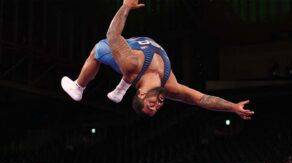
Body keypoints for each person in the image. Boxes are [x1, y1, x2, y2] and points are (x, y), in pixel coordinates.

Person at [61, 0, 254, 119]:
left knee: (98, 49)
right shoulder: (170, 86)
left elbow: (113, 35)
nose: (159, 104)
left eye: (151, 105)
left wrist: (125, 7)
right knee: (123, 65)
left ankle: (78, 87)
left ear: (142, 96)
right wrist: (232, 107)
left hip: (134, 51)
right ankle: (120, 89)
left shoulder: (131, 64)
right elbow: (202, 99)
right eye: (157, 108)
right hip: (143, 48)